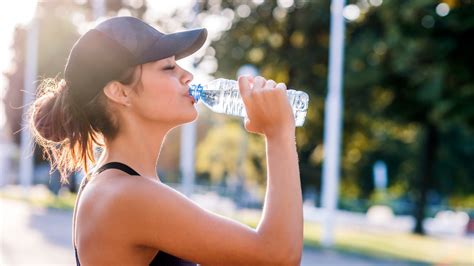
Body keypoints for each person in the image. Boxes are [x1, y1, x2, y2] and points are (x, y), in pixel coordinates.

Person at [29, 16, 303, 265]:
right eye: (168, 67)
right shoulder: (126, 195)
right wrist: (278, 134)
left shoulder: (120, 185)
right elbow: (277, 257)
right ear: (119, 92)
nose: (188, 76)